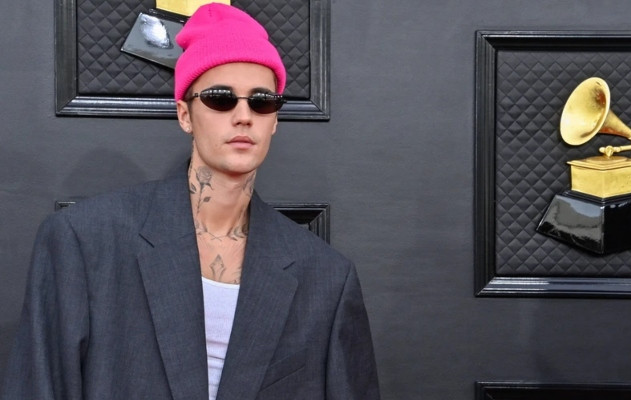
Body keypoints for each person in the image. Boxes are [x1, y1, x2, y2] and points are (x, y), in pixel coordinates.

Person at [0, 3, 380, 399]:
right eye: (220, 98)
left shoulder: (325, 277)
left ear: (274, 121)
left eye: (262, 101)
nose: (244, 115)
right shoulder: (85, 242)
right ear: (184, 114)